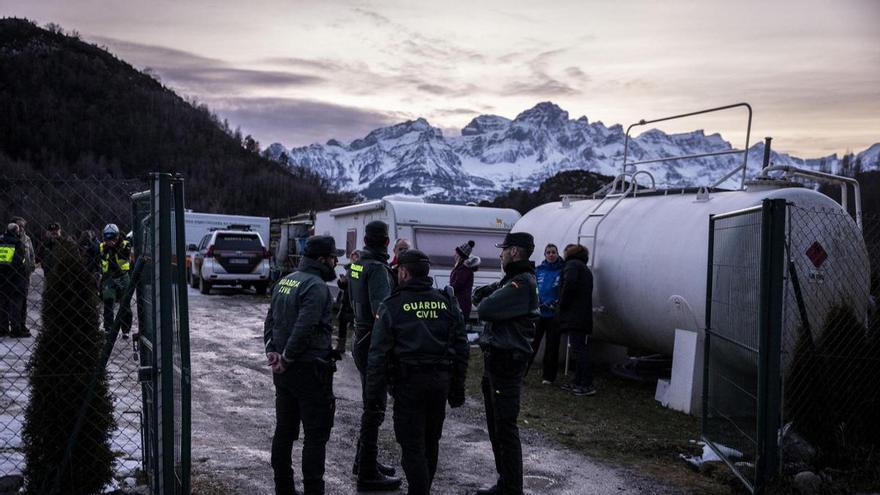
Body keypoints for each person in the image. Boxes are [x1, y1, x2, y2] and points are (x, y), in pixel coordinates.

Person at [365, 249, 469, 494]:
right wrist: (457, 387)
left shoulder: (391, 305)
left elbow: (377, 356)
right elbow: (461, 346)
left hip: (408, 384)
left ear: (403, 272)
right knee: (431, 442)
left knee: (411, 446)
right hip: (439, 383)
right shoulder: (446, 302)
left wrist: (373, 398)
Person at [263, 235, 340, 495]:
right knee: (316, 437)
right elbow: (303, 328)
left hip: (285, 374)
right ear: (321, 259)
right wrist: (286, 357)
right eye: (332, 258)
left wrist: (273, 353)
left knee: (284, 431)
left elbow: (270, 323)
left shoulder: (285, 281)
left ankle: (283, 488)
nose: (335, 262)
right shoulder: (316, 286)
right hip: (310, 371)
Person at [471, 232, 539, 495]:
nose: (500, 254)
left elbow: (485, 308)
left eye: (503, 249)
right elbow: (480, 296)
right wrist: (491, 293)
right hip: (497, 360)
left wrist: (492, 295)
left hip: (506, 362)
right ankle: (505, 483)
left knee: (505, 427)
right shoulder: (511, 281)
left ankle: (511, 487)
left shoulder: (520, 283)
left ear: (514, 252)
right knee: (496, 425)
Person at [348, 221, 402, 491]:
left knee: (370, 403)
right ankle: (367, 471)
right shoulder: (378, 269)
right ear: (386, 242)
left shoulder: (357, 264)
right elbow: (383, 311)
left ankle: (364, 460)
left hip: (359, 337)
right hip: (372, 342)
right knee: (375, 407)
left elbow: (351, 301)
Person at [559, 244, 595, 397]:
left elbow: (569, 285)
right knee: (580, 349)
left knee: (579, 350)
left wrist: (562, 304)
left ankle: (585, 383)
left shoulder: (572, 265)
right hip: (583, 315)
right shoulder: (584, 268)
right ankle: (578, 381)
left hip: (575, 315)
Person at [529, 244, 564, 384]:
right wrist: (537, 300)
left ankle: (548, 377)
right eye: (548, 252)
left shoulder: (562, 270)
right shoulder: (539, 270)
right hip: (539, 313)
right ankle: (522, 372)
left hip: (554, 315)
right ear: (544, 255)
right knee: (532, 343)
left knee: (552, 346)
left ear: (557, 254)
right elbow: (534, 288)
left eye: (553, 252)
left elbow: (564, 290)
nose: (551, 255)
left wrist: (556, 302)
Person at [99, 223, 133, 338]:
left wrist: (115, 248)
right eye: (107, 237)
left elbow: (124, 259)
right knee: (108, 302)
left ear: (117, 236)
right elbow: (101, 259)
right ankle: (108, 328)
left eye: (112, 237)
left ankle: (125, 330)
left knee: (125, 303)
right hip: (109, 276)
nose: (110, 240)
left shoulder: (125, 245)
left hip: (122, 276)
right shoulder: (103, 247)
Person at [0, 223, 29, 338]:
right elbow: (18, 263)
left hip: (3, 279)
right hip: (17, 280)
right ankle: (16, 329)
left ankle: (3, 328)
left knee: (2, 304)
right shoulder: (18, 243)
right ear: (17, 231)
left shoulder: (2, 242)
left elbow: (3, 263)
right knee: (16, 305)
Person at [11, 217, 35, 336]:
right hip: (12, 275)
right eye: (19, 226)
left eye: (23, 226)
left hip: (25, 275)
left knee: (24, 301)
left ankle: (22, 324)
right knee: (15, 302)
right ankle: (15, 326)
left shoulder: (27, 239)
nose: (21, 228)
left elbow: (31, 255)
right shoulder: (9, 239)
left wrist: (31, 268)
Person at [334, 250, 360, 354]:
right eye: (352, 258)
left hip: (354, 302)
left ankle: (356, 348)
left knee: (356, 326)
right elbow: (343, 286)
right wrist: (341, 281)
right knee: (342, 324)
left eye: (355, 258)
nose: (353, 260)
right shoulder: (349, 268)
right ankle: (341, 346)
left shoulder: (360, 269)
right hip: (346, 301)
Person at [449, 240, 479, 321]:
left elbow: (457, 285)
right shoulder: (461, 268)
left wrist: (448, 290)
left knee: (459, 325)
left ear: (460, 255)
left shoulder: (463, 269)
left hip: (461, 304)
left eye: (456, 253)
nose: (454, 255)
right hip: (461, 303)